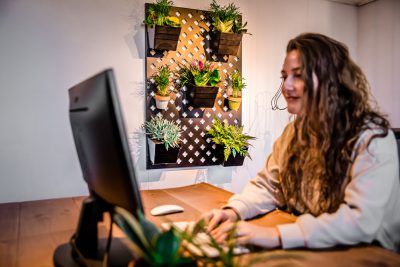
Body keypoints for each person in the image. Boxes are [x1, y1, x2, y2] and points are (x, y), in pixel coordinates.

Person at [205, 33, 400, 252]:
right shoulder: (293, 132)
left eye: (298, 75)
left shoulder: (372, 138)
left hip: (369, 255)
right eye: (284, 76)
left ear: (330, 80)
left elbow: (359, 222)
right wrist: (234, 211)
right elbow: (269, 186)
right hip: (316, 249)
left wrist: (275, 235)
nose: (286, 86)